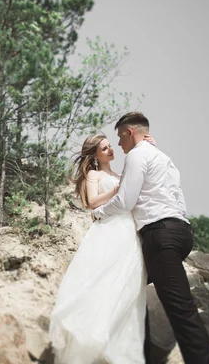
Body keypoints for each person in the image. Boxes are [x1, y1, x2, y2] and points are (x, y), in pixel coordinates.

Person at [92, 112, 209, 364]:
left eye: (119, 137)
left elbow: (126, 201)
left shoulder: (137, 155)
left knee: (182, 312)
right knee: (130, 295)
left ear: (129, 133)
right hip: (180, 233)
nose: (118, 145)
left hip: (160, 237)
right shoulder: (162, 156)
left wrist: (98, 213)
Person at [48, 133, 154, 364]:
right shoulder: (93, 174)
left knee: (128, 288)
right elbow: (91, 202)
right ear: (95, 155)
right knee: (102, 282)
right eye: (104, 148)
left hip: (129, 233)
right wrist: (116, 190)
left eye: (109, 146)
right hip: (108, 231)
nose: (110, 150)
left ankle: (119, 348)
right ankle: (92, 341)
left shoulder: (119, 173)